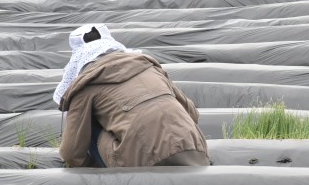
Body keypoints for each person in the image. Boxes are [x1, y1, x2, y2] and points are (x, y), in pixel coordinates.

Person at [55, 24, 209, 168]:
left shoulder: (84, 87)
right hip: (195, 150)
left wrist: (89, 169)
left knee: (87, 125)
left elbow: (71, 153)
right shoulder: (151, 68)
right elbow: (192, 114)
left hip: (141, 163)